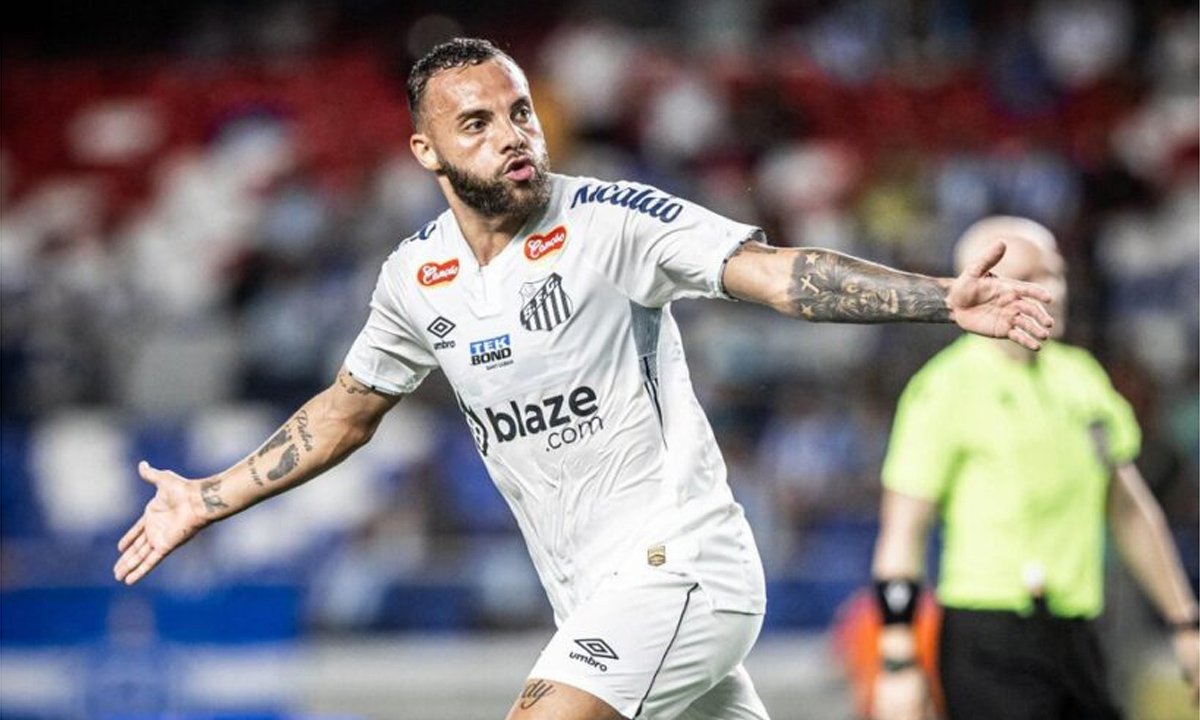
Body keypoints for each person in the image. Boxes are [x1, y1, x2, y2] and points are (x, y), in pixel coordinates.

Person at [112, 39, 1054, 720]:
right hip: (590, 596)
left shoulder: (611, 220)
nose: (513, 135)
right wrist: (207, 496)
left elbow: (777, 273)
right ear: (427, 153)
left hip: (680, 570)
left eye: (521, 112)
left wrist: (940, 297)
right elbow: (348, 412)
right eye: (476, 123)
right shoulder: (415, 277)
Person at [868, 216, 1200, 720]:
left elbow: (1131, 513)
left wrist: (1186, 624)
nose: (1052, 292)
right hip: (989, 639)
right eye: (1031, 276)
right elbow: (903, 532)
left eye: (1057, 275)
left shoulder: (1083, 379)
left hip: (1080, 632)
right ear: (981, 283)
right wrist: (898, 664)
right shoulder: (942, 390)